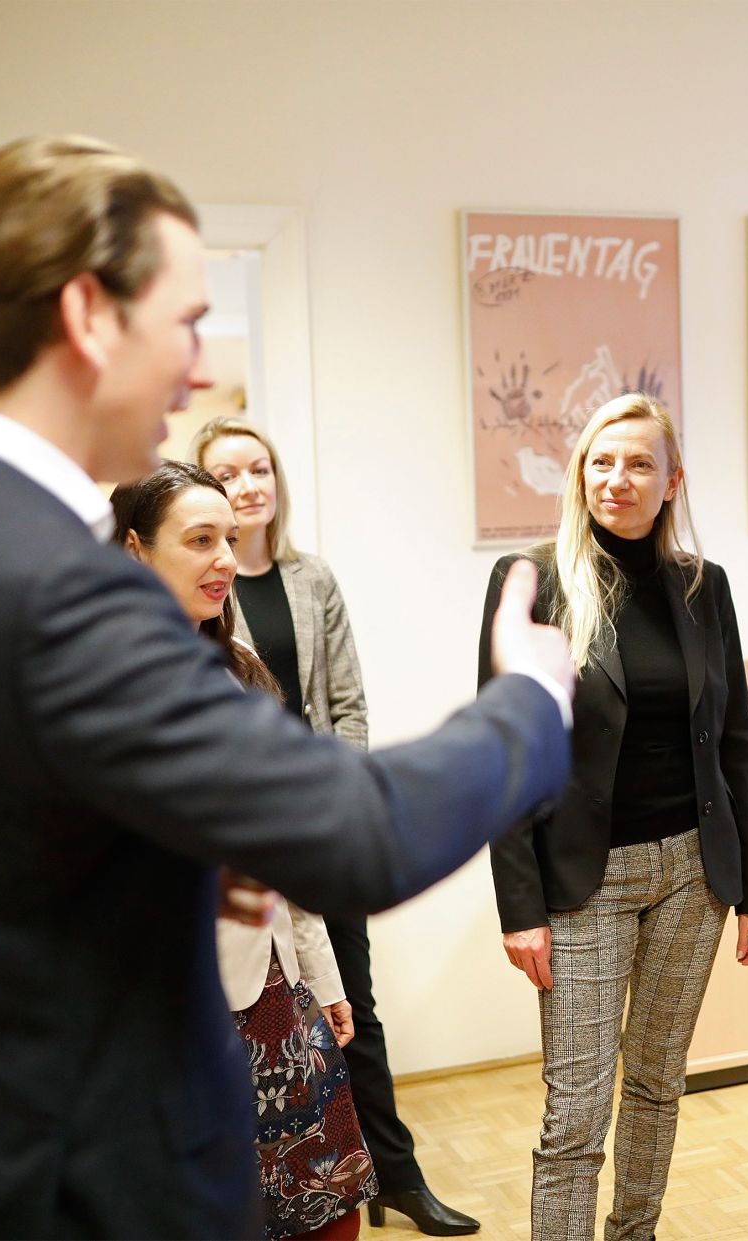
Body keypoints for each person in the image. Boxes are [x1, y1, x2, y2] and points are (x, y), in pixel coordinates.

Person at [0, 135, 573, 1238]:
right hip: (108, 1199)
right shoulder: (55, 587)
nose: (197, 365)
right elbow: (359, 831)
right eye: (185, 321)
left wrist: (153, 860)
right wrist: (529, 701)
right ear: (86, 315)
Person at [477, 392, 748, 1241]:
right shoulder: (532, 581)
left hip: (693, 871)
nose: (619, 478)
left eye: (640, 462)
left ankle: (635, 1232)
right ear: (580, 474)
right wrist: (520, 907)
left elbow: (735, 742)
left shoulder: (701, 586)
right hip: (583, 881)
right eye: (602, 461)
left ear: (671, 479)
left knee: (656, 1081)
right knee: (575, 1107)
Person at [195, 415, 479, 1236]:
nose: (250, 485)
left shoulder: (311, 578)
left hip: (323, 822)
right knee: (279, 1020)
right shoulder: (204, 593)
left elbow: (346, 702)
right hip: (250, 838)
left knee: (351, 1002)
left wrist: (337, 793)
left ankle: (396, 1177)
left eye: (260, 469)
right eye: (229, 473)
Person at [112, 461, 379, 1241]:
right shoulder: (99, 684)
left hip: (276, 992)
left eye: (228, 538)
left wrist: (319, 977)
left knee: (332, 1214)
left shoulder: (241, 673)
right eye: (200, 540)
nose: (226, 557)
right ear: (134, 550)